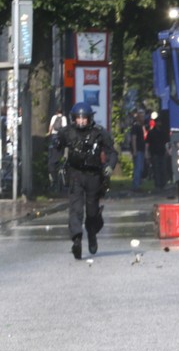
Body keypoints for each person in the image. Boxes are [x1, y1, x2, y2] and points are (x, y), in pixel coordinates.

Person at [55, 102, 117, 259]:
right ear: (73, 119)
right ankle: (76, 240)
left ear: (90, 119)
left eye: (84, 118)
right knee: (75, 209)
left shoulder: (99, 133)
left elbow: (112, 153)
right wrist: (55, 167)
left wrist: (110, 166)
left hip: (94, 176)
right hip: (75, 175)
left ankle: (92, 234)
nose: (81, 121)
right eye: (78, 118)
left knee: (92, 212)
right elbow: (55, 149)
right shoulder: (66, 132)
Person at [145, 116, 170, 190]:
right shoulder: (151, 132)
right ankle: (158, 184)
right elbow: (147, 143)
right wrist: (147, 153)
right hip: (155, 153)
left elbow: (166, 143)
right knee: (156, 169)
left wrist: (167, 151)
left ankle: (162, 184)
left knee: (162, 169)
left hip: (161, 152)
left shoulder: (162, 132)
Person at [47, 109, 68, 192]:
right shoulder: (64, 118)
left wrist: (49, 133)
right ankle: (61, 165)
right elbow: (65, 129)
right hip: (60, 139)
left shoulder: (54, 117)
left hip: (53, 137)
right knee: (59, 157)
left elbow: (50, 127)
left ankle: (54, 180)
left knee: (52, 159)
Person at [128, 110, 147, 191]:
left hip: (141, 149)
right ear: (138, 117)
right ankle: (136, 185)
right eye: (142, 116)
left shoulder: (141, 127)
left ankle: (138, 184)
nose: (143, 118)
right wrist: (134, 150)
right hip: (138, 150)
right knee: (138, 168)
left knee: (141, 168)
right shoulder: (135, 127)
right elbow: (133, 139)